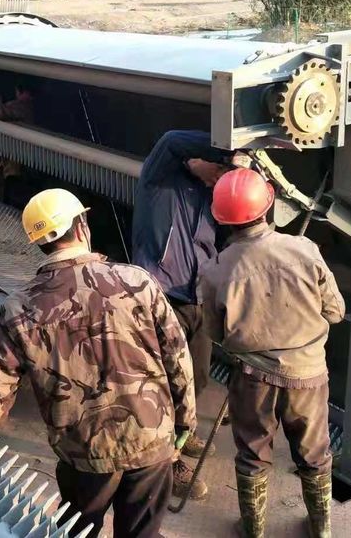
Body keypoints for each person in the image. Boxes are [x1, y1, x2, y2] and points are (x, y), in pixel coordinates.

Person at [0, 188, 196, 538]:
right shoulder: (138, 282)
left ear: (38, 243)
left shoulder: (19, 309)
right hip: (151, 439)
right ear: (82, 226)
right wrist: (185, 423)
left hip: (83, 453)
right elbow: (178, 357)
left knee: (78, 531)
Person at [198, 168, 345, 538]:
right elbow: (336, 312)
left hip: (252, 380)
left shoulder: (215, 270)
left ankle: (253, 530)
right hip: (308, 376)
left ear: (222, 219)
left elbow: (216, 334)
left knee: (252, 454)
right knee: (314, 455)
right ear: (268, 205)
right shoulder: (305, 250)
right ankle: (321, 528)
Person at [131, 130, 231, 500]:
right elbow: (172, 140)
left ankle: (180, 435)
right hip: (160, 296)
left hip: (196, 298)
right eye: (215, 168)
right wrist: (223, 149)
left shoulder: (212, 196)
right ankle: (166, 465)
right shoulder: (160, 178)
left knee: (197, 377)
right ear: (197, 159)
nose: (219, 176)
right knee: (157, 382)